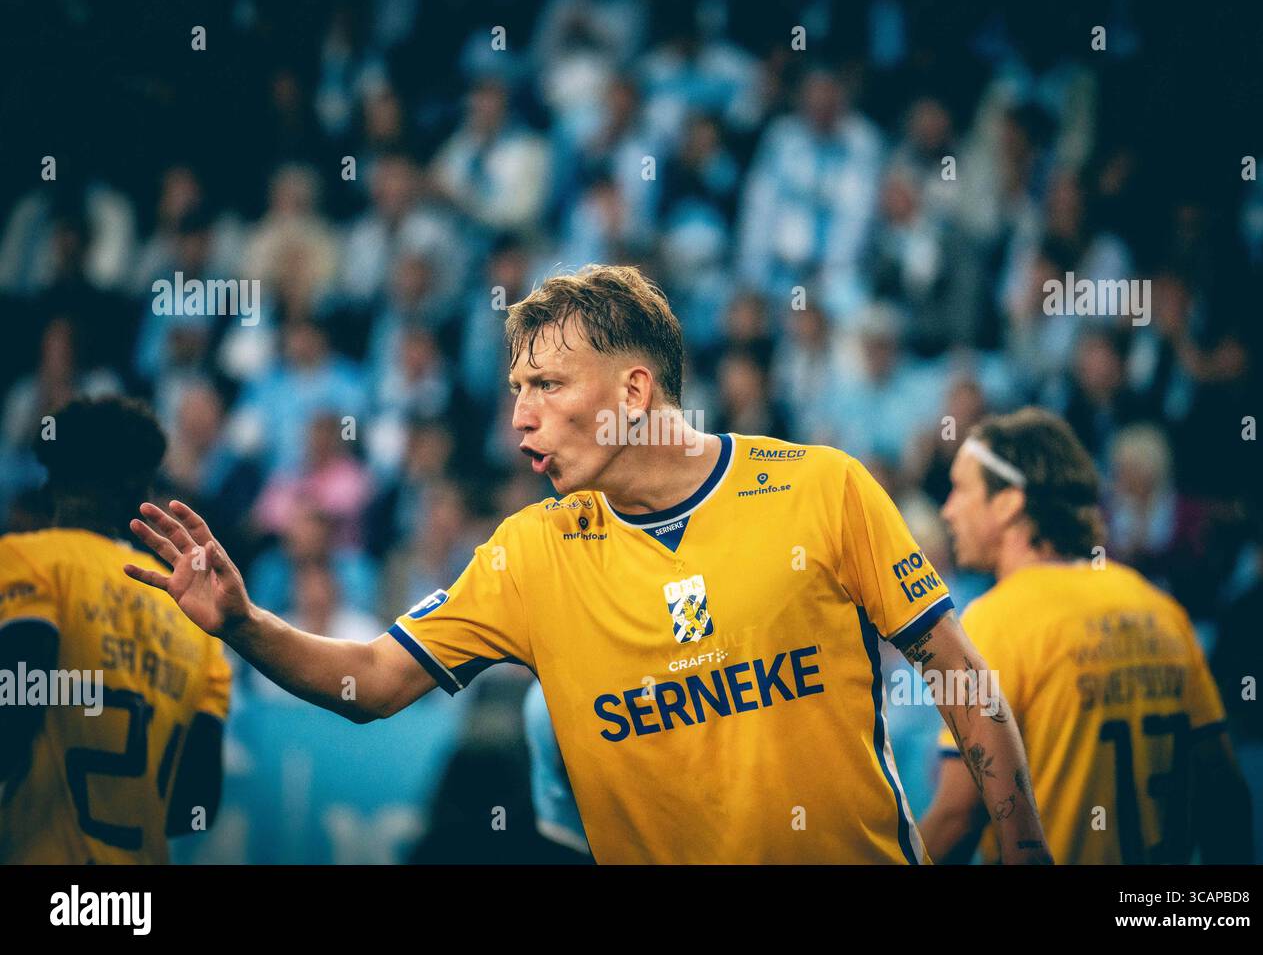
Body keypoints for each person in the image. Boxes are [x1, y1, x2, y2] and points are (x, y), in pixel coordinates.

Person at [125, 264, 1050, 864]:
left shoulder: (822, 488)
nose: (520, 417)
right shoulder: (530, 552)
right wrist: (246, 624)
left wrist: (1028, 854)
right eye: (516, 389)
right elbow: (373, 681)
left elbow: (962, 677)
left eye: (546, 386)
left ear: (633, 390)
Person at [921, 409, 1252, 863]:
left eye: (961, 489)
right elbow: (1226, 801)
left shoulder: (995, 620)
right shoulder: (1160, 610)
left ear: (1008, 502)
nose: (948, 509)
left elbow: (958, 816)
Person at [0, 396, 230, 863]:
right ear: (141, 492)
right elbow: (193, 807)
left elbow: (12, 721)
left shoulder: (25, 561)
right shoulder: (192, 618)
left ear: (51, 482)